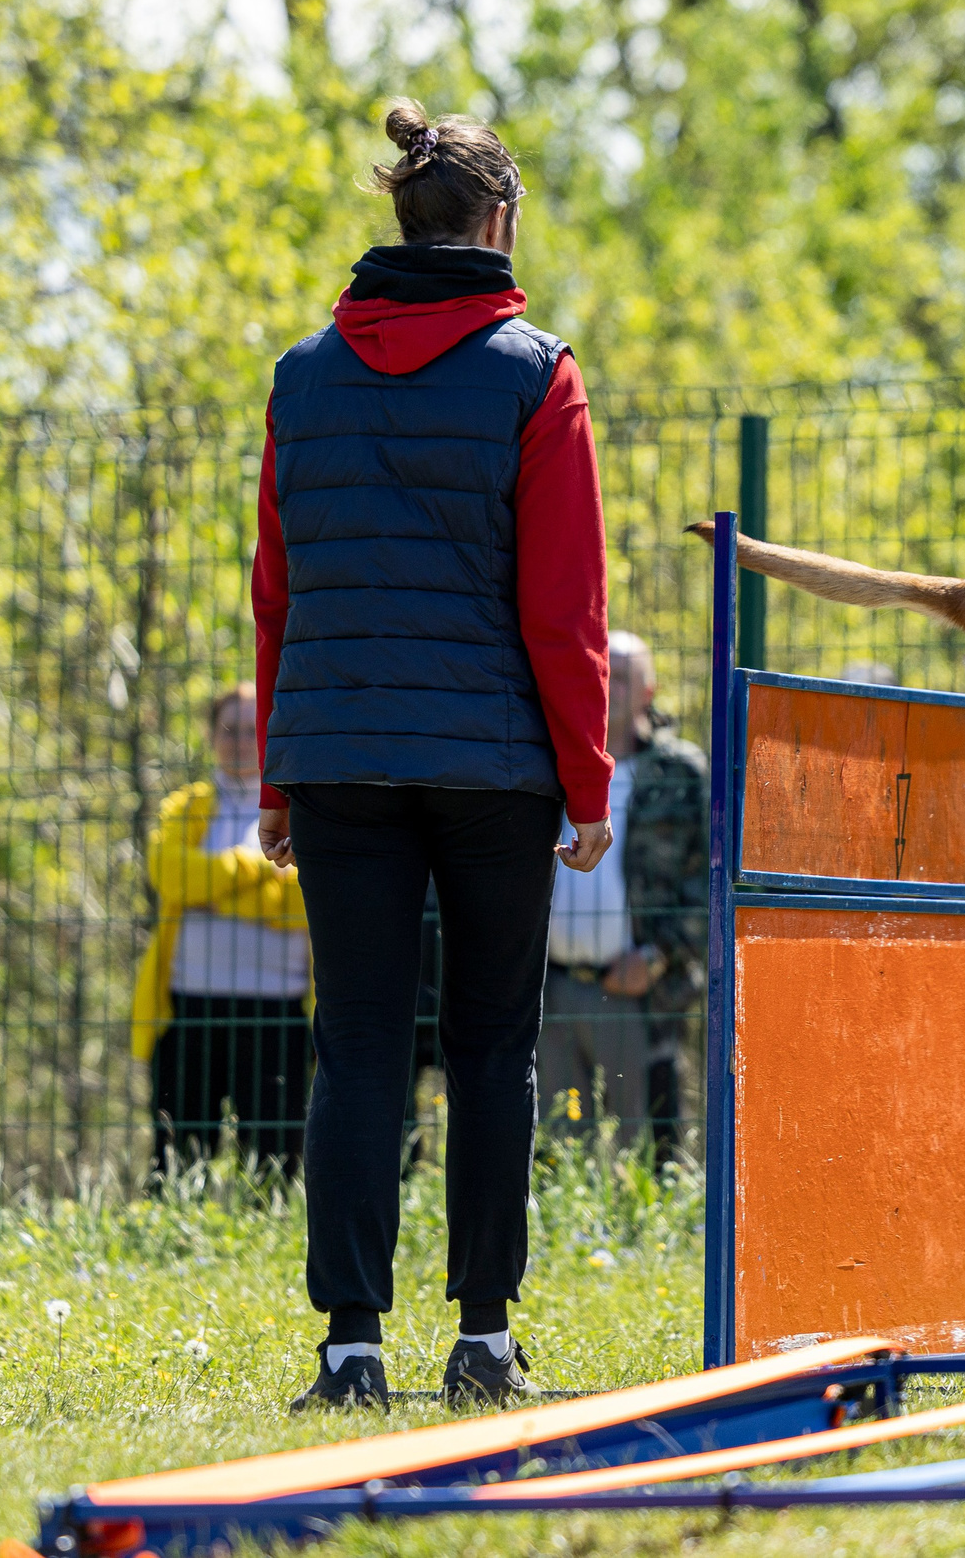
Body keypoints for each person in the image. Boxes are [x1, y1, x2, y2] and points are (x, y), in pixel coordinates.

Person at [252, 99, 612, 1411]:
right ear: (499, 220)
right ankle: (482, 1334)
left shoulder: (302, 377)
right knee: (491, 1040)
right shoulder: (535, 373)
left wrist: (281, 775)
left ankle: (350, 1341)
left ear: (401, 217)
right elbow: (565, 606)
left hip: (340, 751)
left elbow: (276, 591)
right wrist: (589, 779)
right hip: (492, 766)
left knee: (354, 1040)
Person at [132, 683, 313, 1181]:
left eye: (250, 729)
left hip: (278, 1009)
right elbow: (170, 874)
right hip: (190, 1005)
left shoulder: (304, 809)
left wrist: (212, 886)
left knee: (274, 1159)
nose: (237, 741)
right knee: (177, 1154)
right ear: (210, 736)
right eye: (227, 729)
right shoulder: (183, 808)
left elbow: (303, 900)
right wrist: (255, 866)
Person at [539, 632, 708, 1161]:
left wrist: (658, 959)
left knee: (644, 1149)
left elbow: (707, 890)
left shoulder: (680, 774)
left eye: (624, 677)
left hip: (640, 992)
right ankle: (566, 1237)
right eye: (602, 674)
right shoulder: (548, 761)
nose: (608, 687)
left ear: (648, 692)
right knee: (560, 1143)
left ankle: (637, 1238)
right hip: (553, 987)